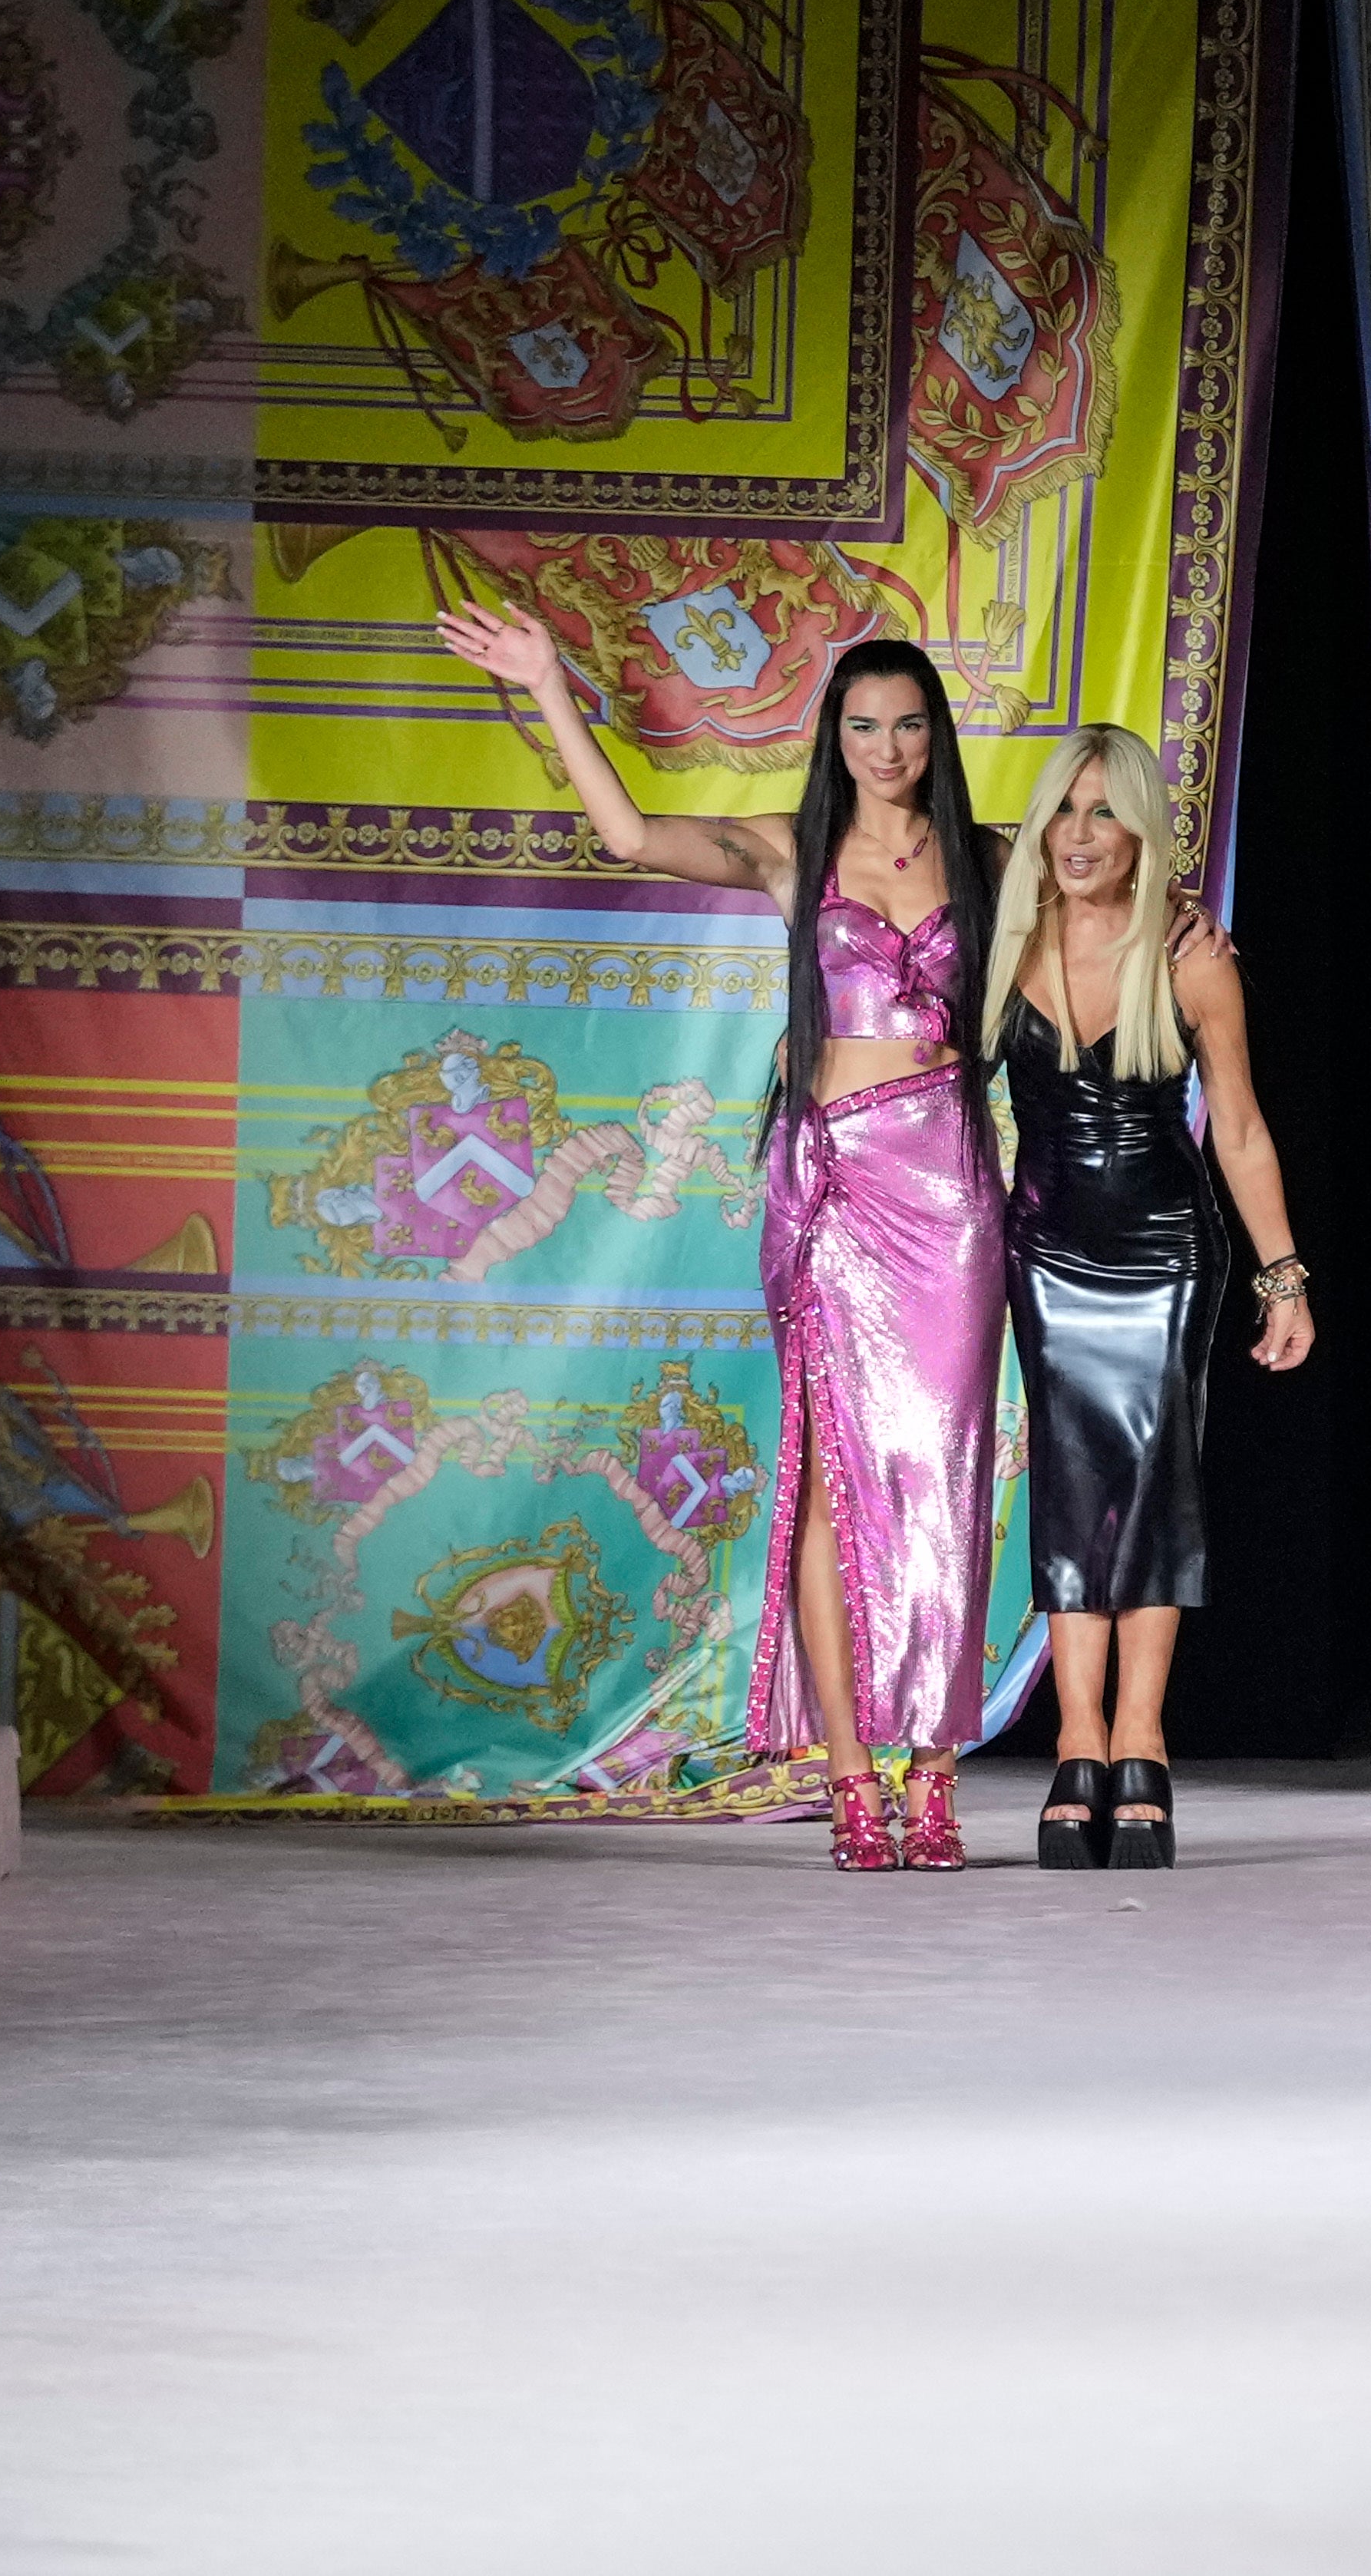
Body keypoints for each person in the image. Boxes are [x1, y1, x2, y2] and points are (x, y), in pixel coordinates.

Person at [435, 608, 1006, 1871]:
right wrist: (546, 681)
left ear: (936, 732)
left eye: (909, 723)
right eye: (863, 725)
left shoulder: (989, 854)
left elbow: (1112, 913)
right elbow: (629, 833)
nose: (887, 746)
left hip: (953, 1192)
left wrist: (1195, 939)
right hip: (837, 1184)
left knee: (945, 1479)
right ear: (835, 736)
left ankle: (933, 1772)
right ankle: (853, 1780)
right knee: (828, 1481)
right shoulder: (791, 852)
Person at [982, 724, 1308, 1871]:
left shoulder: (1187, 953)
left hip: (1169, 1252)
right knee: (1072, 1490)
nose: (1078, 835)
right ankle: (1077, 1748)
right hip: (1047, 1250)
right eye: (1063, 811)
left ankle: (1142, 1744)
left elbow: (1246, 1126)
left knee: (1156, 1487)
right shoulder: (1001, 929)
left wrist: (1284, 1276)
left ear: (1141, 834)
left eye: (1104, 813)